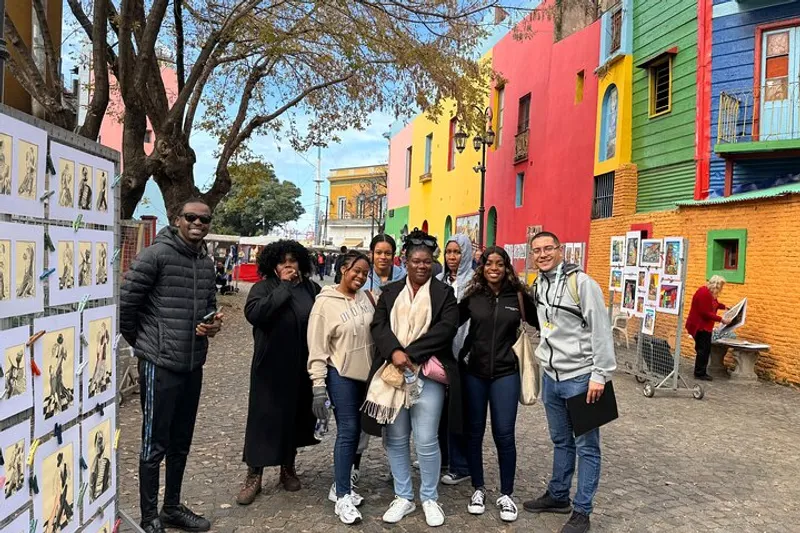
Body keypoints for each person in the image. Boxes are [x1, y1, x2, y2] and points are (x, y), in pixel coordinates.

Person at [120, 198, 222, 533]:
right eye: (191, 217)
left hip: (193, 363)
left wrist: (212, 325)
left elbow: (209, 305)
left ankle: (172, 508)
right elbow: (126, 306)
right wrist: (147, 345)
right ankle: (149, 516)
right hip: (159, 364)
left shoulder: (206, 263)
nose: (198, 224)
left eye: (204, 219)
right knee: (154, 444)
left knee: (181, 442)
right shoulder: (155, 255)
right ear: (177, 219)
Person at [362, 230, 459, 527]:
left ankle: (429, 497)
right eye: (416, 261)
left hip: (426, 375)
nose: (421, 266)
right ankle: (403, 496)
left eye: (427, 261)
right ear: (405, 261)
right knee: (396, 438)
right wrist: (394, 352)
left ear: (433, 263)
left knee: (427, 439)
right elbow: (378, 325)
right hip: (393, 376)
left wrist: (409, 354)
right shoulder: (390, 292)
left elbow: (446, 329)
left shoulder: (444, 294)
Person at [525, 231, 616, 533]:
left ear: (560, 250)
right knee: (561, 440)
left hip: (581, 377)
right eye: (537, 250)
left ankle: (582, 511)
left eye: (548, 248)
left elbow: (601, 329)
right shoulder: (539, 283)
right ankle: (558, 495)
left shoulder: (582, 284)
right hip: (551, 377)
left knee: (587, 447)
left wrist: (600, 374)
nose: (542, 254)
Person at [237, 240, 320, 505]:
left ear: (300, 263)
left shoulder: (311, 289)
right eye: (282, 261)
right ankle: (254, 474)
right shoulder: (263, 288)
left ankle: (288, 467)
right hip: (269, 367)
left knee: (294, 417)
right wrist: (283, 286)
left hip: (300, 366)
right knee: (263, 419)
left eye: (292, 260)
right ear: (273, 265)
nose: (288, 265)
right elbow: (256, 314)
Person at [459, 246, 537, 522]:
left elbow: (546, 324)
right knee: (474, 433)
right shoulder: (472, 297)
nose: (494, 268)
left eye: (499, 263)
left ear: (507, 267)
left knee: (504, 434)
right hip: (474, 373)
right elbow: (448, 323)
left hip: (506, 373)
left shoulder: (518, 297)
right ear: (481, 267)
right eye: (489, 263)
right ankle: (478, 488)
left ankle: (506, 494)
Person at [307, 251, 374, 524]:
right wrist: (318, 386)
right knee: (348, 431)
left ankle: (341, 485)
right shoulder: (324, 304)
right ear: (344, 269)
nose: (360, 276)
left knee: (358, 432)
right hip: (340, 374)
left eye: (365, 273)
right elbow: (317, 348)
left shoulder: (366, 299)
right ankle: (343, 495)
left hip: (366, 376)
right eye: (356, 270)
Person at [435, 234, 473, 487]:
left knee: (460, 411)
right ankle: (441, 457)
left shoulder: (474, 281)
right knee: (440, 408)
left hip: (465, 355)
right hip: (441, 354)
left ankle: (461, 464)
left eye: (457, 252)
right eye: (449, 252)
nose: (452, 257)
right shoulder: (439, 280)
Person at [686, 275, 730, 381]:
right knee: (703, 349)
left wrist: (724, 307)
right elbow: (705, 313)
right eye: (721, 287)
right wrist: (722, 320)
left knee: (704, 349)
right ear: (716, 286)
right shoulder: (704, 293)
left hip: (705, 326)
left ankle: (701, 371)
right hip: (700, 326)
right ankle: (699, 373)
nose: (721, 290)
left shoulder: (709, 293)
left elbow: (714, 304)